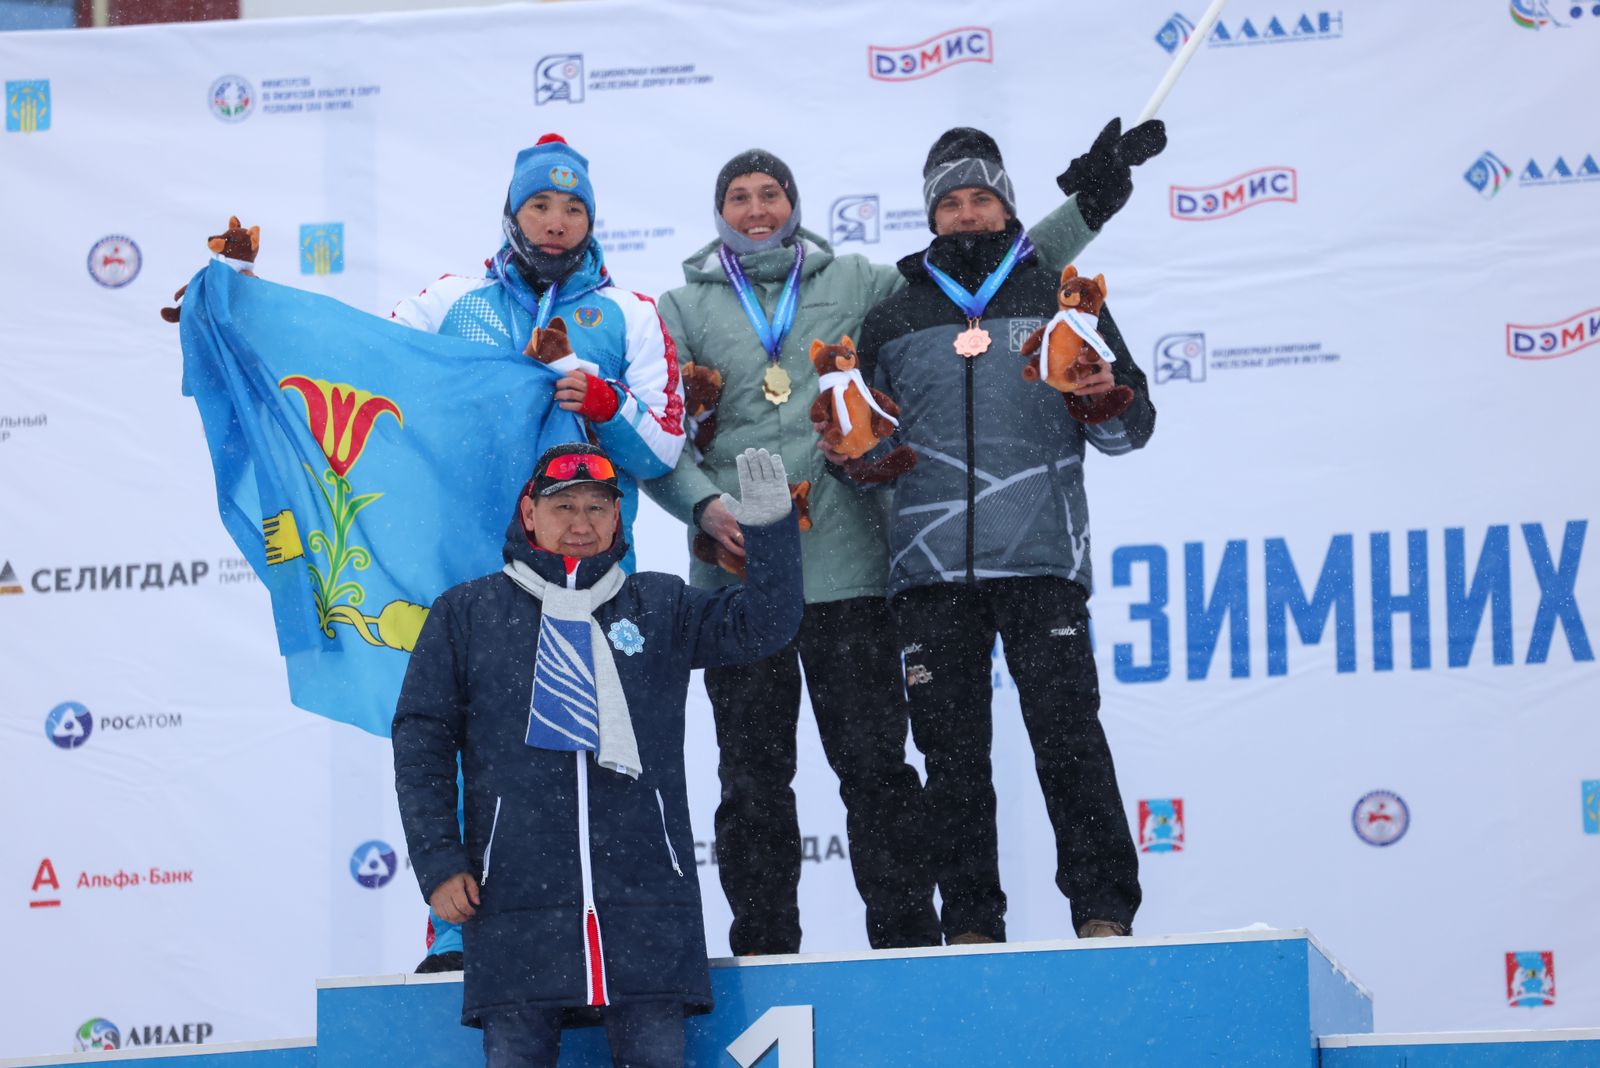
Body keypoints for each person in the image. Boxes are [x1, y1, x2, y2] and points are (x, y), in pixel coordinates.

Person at [644, 121, 1163, 955]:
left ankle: (999, 928)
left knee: (947, 764)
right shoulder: (734, 307)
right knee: (804, 779)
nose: (754, 208)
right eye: (737, 197)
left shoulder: (928, 287)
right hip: (828, 578)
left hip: (940, 568)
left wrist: (1091, 203)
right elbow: (667, 430)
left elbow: (1020, 281)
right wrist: (716, 504)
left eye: (769, 193)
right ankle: (844, 937)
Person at [823, 126, 1156, 945]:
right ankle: (973, 924)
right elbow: (855, 443)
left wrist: (1104, 401)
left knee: (1069, 739)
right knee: (953, 763)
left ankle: (1103, 909)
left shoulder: (1062, 294)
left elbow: (1132, 427)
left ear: (1006, 205)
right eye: (950, 201)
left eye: (981, 198)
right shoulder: (893, 313)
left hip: (1043, 561)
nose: (967, 213)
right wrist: (852, 457)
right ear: (932, 213)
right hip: (930, 573)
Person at [392, 443, 803, 1068]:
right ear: (529, 513)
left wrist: (771, 533)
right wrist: (438, 860)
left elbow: (766, 624)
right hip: (514, 905)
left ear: (617, 520)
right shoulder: (467, 613)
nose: (581, 524)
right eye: (564, 507)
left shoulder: (659, 605)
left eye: (597, 508)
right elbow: (420, 742)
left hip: (644, 905)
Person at [387, 132, 686, 970]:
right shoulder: (453, 301)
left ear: (592, 219)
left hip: (590, 574)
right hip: (477, 572)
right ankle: (457, 931)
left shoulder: (627, 314)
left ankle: (600, 931)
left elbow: (662, 451)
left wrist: (604, 399)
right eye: (540, 206)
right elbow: (366, 370)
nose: (556, 222)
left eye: (573, 208)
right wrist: (252, 307)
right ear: (512, 212)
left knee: (598, 751)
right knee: (468, 743)